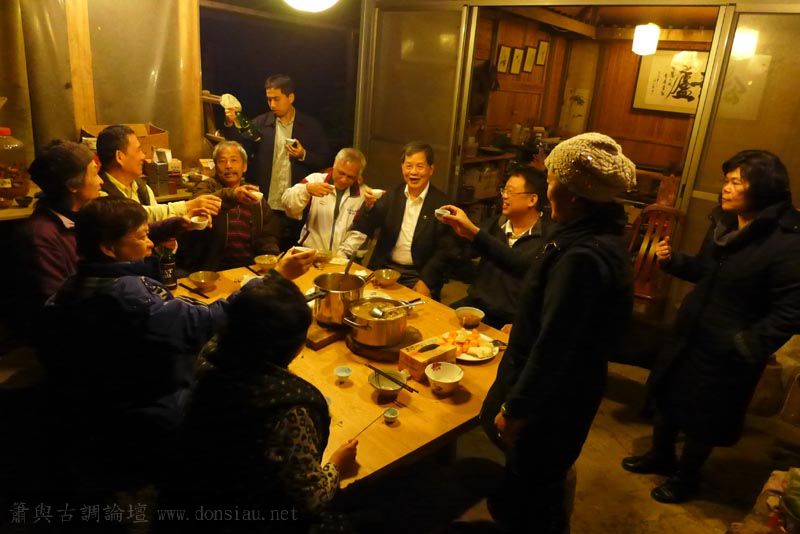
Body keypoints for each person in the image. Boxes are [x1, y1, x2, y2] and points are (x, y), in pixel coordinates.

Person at [39, 197, 315, 496]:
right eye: (142, 236)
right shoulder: (126, 296)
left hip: (97, 406)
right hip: (149, 412)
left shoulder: (73, 285)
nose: (149, 242)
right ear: (108, 248)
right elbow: (202, 322)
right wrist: (274, 278)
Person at [472, 133, 634, 533]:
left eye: (552, 181)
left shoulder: (582, 257)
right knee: (534, 478)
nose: (547, 190)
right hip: (563, 392)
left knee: (534, 490)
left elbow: (555, 346)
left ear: (574, 194)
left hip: (553, 402)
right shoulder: (591, 235)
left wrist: (517, 409)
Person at [622, 150, 800, 504]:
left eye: (736, 182)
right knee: (668, 393)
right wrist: (673, 261)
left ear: (762, 188)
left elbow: (791, 309)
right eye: (726, 181)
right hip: (692, 329)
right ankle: (660, 455)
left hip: (730, 343)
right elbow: (706, 271)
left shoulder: (787, 240)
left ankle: (687, 478)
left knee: (705, 416)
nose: (725, 189)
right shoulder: (726, 223)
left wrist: (747, 344)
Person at [159, 273, 358, 533]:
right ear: (295, 346)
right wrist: (337, 465)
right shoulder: (290, 410)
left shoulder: (210, 356)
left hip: (189, 494)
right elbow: (310, 500)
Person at [10, 140, 187, 342]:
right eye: (94, 174)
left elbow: (125, 237)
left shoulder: (81, 216)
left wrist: (176, 224)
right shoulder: (40, 237)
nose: (101, 181)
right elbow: (57, 312)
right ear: (72, 185)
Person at [220, 74, 331, 249]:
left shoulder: (310, 126)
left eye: (276, 99)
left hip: (296, 206)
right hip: (267, 204)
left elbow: (325, 159)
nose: (272, 104)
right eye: (269, 99)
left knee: (293, 252)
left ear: (290, 97)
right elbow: (239, 147)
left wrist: (303, 154)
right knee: (266, 250)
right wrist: (230, 124)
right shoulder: (261, 123)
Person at [338, 141, 461, 299]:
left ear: (431, 169)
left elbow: (447, 249)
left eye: (420, 166)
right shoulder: (391, 195)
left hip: (418, 274)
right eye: (408, 166)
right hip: (385, 268)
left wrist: (426, 280)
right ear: (402, 167)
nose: (413, 172)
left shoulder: (442, 203)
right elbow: (364, 227)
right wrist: (368, 206)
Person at [440, 166, 548, 328]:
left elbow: (520, 264)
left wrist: (520, 325)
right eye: (504, 190)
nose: (504, 196)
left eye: (511, 192)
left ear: (532, 200)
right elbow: (464, 254)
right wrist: (454, 229)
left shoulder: (547, 237)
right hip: (477, 306)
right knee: (438, 321)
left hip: (512, 318)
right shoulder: (495, 224)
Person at [178, 140, 280, 271]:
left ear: (244, 167)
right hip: (213, 268)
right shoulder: (205, 187)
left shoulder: (253, 194)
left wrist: (271, 257)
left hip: (249, 267)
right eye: (222, 161)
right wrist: (233, 194)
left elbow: (268, 235)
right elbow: (200, 204)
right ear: (215, 166)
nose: (228, 166)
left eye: (234, 160)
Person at [96, 124, 222, 222]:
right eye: (138, 150)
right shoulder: (100, 194)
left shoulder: (141, 187)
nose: (143, 156)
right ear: (120, 157)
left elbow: (157, 222)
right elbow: (136, 215)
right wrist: (187, 206)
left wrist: (182, 223)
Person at [282, 147, 377, 254]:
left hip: (343, 257)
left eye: (350, 177)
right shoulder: (315, 180)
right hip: (311, 251)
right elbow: (288, 205)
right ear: (334, 166)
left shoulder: (364, 194)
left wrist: (341, 256)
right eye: (341, 173)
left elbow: (359, 233)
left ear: (358, 176)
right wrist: (306, 189)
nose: (344, 180)